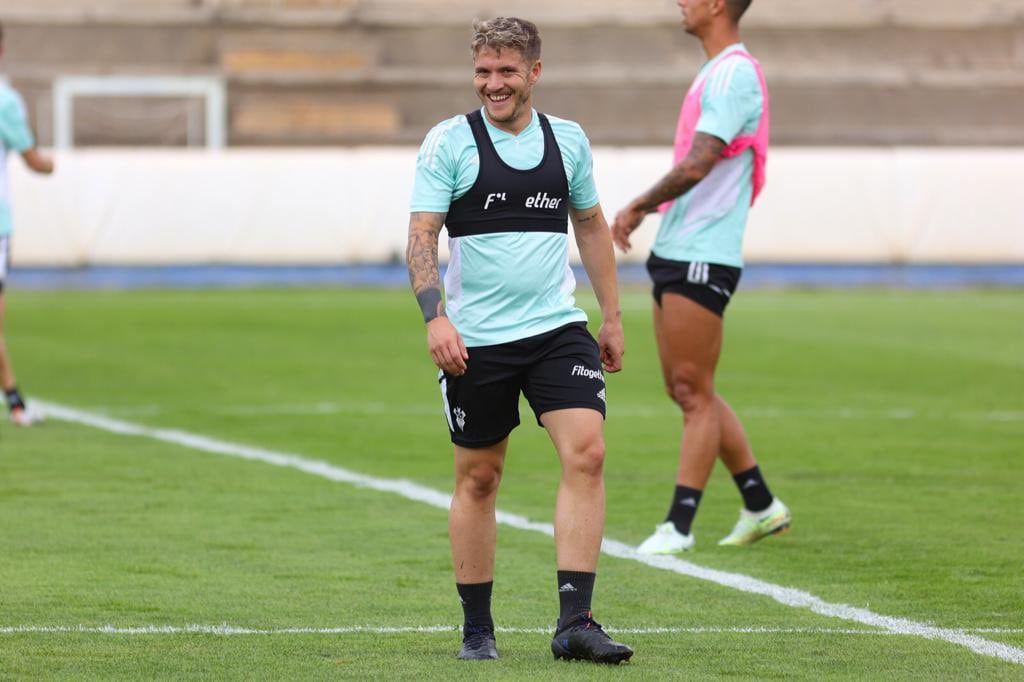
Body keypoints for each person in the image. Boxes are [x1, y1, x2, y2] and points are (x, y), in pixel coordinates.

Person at [406, 16, 633, 665]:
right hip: (475, 342)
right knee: (480, 478)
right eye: (483, 72)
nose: (493, 84)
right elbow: (422, 238)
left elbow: (589, 224)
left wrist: (611, 315)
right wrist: (435, 317)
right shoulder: (449, 144)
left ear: (534, 72)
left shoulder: (568, 141)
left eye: (506, 72)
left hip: (557, 330)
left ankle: (574, 624)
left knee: (587, 453)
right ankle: (478, 629)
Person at [611, 0, 789, 554]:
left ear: (717, 5)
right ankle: (761, 505)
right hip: (681, 247)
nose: (679, 3)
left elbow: (701, 160)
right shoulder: (718, 71)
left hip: (704, 252)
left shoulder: (735, 72)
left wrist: (638, 205)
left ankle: (679, 524)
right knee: (689, 388)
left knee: (692, 391)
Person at [0, 21, 54, 427]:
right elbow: (35, 161)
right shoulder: (5, 101)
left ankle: (15, 401)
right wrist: (51, 163)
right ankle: (16, 404)